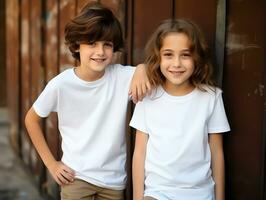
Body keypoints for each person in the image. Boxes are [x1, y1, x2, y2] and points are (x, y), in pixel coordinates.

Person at [25, 2, 150, 200]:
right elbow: (31, 119)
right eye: (92, 43)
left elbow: (154, 69)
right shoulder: (61, 84)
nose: (100, 52)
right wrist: (51, 164)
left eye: (107, 44)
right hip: (75, 178)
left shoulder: (122, 76)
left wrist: (143, 67)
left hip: (113, 182)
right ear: (77, 45)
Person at [130, 19, 230, 200]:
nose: (176, 63)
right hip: (157, 193)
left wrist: (220, 197)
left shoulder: (211, 97)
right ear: (158, 57)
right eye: (168, 55)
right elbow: (139, 153)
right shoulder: (148, 97)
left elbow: (217, 152)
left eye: (185, 55)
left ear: (197, 57)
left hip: (200, 193)